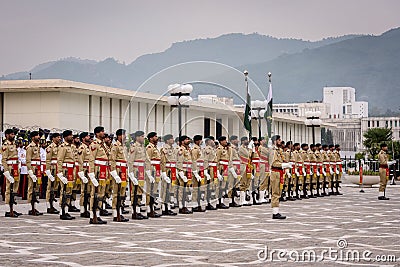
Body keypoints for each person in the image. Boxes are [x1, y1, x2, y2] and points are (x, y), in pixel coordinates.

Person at [87, 126, 108, 224]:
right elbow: (91, 159)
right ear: (97, 134)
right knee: (94, 194)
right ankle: (92, 216)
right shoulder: (94, 144)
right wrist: (91, 173)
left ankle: (98, 215)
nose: (103, 133)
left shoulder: (103, 145)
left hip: (103, 169)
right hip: (97, 170)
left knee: (101, 194)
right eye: (102, 132)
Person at [109, 129, 129, 222]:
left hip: (124, 171)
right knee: (116, 193)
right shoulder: (115, 146)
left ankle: (120, 212)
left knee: (122, 193)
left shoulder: (124, 147)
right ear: (118, 136)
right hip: (118, 171)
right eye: (123, 135)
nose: (124, 137)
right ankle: (115, 214)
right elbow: (112, 160)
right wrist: (114, 173)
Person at [270, 135, 292, 219]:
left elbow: (282, 160)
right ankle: (275, 213)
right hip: (275, 172)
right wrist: (285, 165)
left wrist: (286, 167)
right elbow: (273, 163)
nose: (281, 141)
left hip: (280, 172)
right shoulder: (273, 151)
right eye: (279, 140)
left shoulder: (279, 150)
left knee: (278, 192)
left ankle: (276, 211)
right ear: (275, 141)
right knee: (275, 192)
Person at [128, 130, 149, 220]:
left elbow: (147, 160)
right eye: (142, 136)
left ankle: (138, 211)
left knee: (140, 192)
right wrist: (131, 174)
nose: (143, 138)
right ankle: (134, 212)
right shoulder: (134, 147)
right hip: (136, 170)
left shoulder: (143, 147)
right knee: (135, 192)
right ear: (137, 137)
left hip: (141, 171)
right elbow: (130, 161)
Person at [56, 130, 76, 220]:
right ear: (65, 137)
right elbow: (59, 160)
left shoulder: (72, 147)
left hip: (71, 170)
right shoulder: (62, 147)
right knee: (63, 191)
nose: (72, 137)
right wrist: (60, 173)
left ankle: (67, 211)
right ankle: (62, 211)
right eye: (70, 135)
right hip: (65, 170)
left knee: (69, 191)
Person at [2, 129, 22, 217]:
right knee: (8, 189)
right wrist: (6, 172)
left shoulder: (14, 144)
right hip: (10, 168)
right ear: (6, 135)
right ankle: (7, 210)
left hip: (15, 167)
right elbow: (4, 160)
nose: (13, 136)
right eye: (11, 134)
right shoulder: (5, 145)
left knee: (14, 189)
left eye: (14, 134)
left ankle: (12, 208)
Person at [26, 131, 44, 216]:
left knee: (37, 187)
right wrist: (30, 172)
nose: (38, 137)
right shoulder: (30, 147)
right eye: (37, 135)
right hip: (33, 168)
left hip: (38, 168)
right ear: (32, 137)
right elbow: (28, 160)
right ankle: (31, 208)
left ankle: (35, 207)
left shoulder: (38, 146)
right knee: (31, 188)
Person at [145, 132, 162, 218]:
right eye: (155, 136)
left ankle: (152, 208)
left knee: (154, 190)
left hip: (157, 170)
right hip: (152, 170)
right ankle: (149, 209)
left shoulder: (156, 147)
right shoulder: (149, 147)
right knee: (150, 190)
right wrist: (148, 173)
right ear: (151, 138)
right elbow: (147, 160)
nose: (157, 138)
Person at [160, 134, 177, 216]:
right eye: (171, 138)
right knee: (164, 189)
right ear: (167, 140)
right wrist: (163, 173)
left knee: (171, 189)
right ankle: (164, 208)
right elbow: (162, 162)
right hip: (167, 170)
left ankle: (169, 207)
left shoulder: (173, 149)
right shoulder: (164, 149)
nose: (173, 140)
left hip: (172, 170)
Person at [44, 132, 61, 214]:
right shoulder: (50, 147)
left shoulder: (60, 147)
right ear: (53, 138)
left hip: (57, 168)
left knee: (55, 188)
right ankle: (49, 206)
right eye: (58, 137)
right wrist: (48, 172)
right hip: (52, 169)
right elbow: (47, 160)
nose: (59, 139)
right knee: (50, 188)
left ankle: (52, 205)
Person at [76, 132, 91, 218]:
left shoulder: (88, 147)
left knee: (88, 191)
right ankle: (82, 210)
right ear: (83, 139)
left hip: (89, 171)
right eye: (87, 136)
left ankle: (87, 209)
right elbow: (80, 161)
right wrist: (81, 173)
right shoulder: (82, 148)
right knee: (83, 191)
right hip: (84, 171)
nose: (89, 137)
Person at [191, 135, 206, 212]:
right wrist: (195, 173)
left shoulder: (199, 148)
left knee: (200, 188)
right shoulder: (194, 149)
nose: (201, 142)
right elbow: (193, 161)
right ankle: (194, 205)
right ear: (197, 141)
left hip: (201, 169)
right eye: (200, 140)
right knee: (195, 188)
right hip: (196, 170)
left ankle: (199, 204)